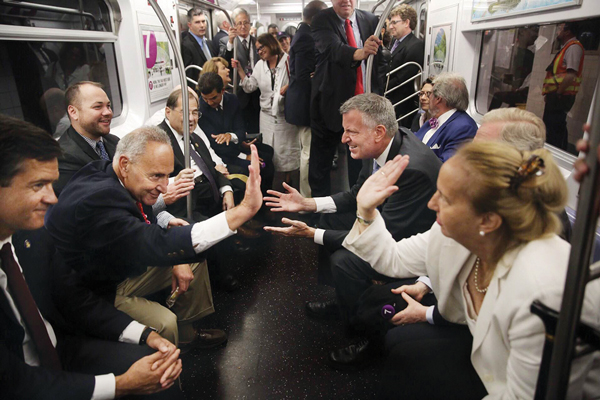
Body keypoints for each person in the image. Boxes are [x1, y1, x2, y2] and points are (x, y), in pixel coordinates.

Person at [341, 140, 599, 399]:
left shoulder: (543, 293)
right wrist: (366, 209)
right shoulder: (455, 234)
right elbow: (393, 258)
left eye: (446, 198)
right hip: (491, 360)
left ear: (488, 220)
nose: (432, 204)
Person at [0, 114, 184, 399]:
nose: (52, 199)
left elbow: (75, 300)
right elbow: (14, 381)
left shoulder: (31, 237)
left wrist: (144, 334)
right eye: (38, 186)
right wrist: (120, 385)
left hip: (61, 346)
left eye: (52, 185)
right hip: (24, 381)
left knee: (160, 374)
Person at [45, 125, 263, 349]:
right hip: (96, 292)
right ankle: (168, 375)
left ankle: (187, 332)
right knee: (165, 323)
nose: (164, 187)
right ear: (124, 165)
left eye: (167, 176)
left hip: (115, 264)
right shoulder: (98, 200)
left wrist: (164, 222)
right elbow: (151, 241)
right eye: (156, 176)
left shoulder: (106, 171)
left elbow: (135, 220)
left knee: (192, 262)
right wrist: (242, 211)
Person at [264, 94, 440, 368]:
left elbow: (385, 239)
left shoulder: (412, 170)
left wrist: (311, 234)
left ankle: (367, 337)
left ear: (379, 131)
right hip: (389, 222)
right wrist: (308, 204)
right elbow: (358, 194)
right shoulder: (384, 145)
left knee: (344, 262)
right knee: (329, 219)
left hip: (407, 242)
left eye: (351, 132)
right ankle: (345, 300)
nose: (344, 139)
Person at [54, 81, 193, 229]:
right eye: (97, 107)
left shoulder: (113, 141)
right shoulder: (65, 157)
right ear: (73, 112)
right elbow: (108, 211)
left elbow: (132, 190)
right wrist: (162, 200)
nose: (108, 112)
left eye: (108, 106)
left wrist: (164, 219)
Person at [309, 0, 382, 196]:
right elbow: (334, 49)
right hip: (331, 105)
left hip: (364, 105)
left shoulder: (371, 20)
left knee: (360, 164)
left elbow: (378, 63)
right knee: (321, 165)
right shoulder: (322, 20)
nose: (346, 1)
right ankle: (319, 215)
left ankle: (357, 209)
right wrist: (361, 52)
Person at [233, 34, 299, 180]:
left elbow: (300, 79)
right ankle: (271, 181)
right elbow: (250, 87)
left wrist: (288, 87)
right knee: (270, 151)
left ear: (271, 44)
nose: (260, 52)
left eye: (262, 47)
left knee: (287, 152)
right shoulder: (260, 66)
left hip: (284, 115)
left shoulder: (288, 61)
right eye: (257, 50)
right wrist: (239, 70)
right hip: (266, 116)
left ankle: (287, 182)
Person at [197, 72, 275, 195]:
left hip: (236, 146)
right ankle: (259, 205)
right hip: (222, 156)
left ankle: (265, 200)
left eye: (213, 98)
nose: (209, 103)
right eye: (205, 99)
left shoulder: (232, 100)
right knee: (263, 166)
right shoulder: (201, 109)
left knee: (268, 152)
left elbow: (240, 130)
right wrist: (243, 156)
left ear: (222, 91)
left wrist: (230, 136)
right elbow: (216, 146)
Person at [285, 0, 328, 198]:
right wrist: (318, 73)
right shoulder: (305, 37)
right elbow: (303, 75)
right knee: (308, 153)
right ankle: (306, 197)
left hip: (303, 102)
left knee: (308, 150)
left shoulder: (302, 33)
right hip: (305, 104)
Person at [413, 72, 478, 162]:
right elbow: (414, 141)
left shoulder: (464, 127)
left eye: (429, 94)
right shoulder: (433, 119)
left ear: (438, 99)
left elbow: (447, 166)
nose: (426, 98)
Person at [542, 22, 584, 151]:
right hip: (556, 95)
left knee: (554, 129)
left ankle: (554, 155)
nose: (558, 31)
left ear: (567, 31)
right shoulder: (566, 47)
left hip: (561, 96)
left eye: (560, 29)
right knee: (554, 126)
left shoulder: (573, 47)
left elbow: (571, 75)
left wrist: (558, 93)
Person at [219, 7, 261, 134]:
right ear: (234, 26)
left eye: (246, 22)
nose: (243, 26)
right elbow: (223, 62)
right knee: (240, 128)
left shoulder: (258, 42)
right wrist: (231, 41)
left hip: (256, 92)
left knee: (256, 127)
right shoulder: (226, 42)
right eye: (239, 23)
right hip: (238, 92)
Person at [384, 4, 424, 127]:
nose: (390, 27)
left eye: (394, 23)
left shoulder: (415, 45)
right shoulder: (394, 43)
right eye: (390, 23)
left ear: (406, 23)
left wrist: (383, 87)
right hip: (390, 97)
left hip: (400, 102)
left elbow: (403, 77)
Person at [182, 8, 215, 86]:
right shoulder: (187, 45)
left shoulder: (208, 42)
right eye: (197, 22)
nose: (202, 25)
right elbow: (189, 76)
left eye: (203, 21)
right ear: (190, 25)